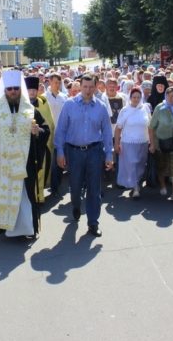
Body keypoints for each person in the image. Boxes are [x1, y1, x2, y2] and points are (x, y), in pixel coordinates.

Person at [0, 70, 50, 238]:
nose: (13, 91)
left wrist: (38, 131)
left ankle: (28, 229)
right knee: (6, 193)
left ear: (21, 90)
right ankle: (7, 227)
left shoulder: (30, 110)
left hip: (25, 163)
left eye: (16, 88)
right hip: (3, 165)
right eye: (10, 88)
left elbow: (45, 130)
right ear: (4, 90)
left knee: (25, 196)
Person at [54, 73, 112, 237]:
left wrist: (109, 154)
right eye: (84, 87)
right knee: (76, 185)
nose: (87, 90)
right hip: (73, 151)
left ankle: (93, 222)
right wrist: (60, 151)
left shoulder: (101, 107)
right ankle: (76, 205)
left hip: (94, 151)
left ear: (96, 86)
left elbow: (107, 132)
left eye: (91, 87)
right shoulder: (69, 105)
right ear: (80, 86)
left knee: (94, 188)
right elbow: (61, 130)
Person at [114, 87, 150, 199]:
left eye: (138, 97)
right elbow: (118, 128)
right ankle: (135, 187)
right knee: (132, 164)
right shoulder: (125, 110)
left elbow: (150, 126)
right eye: (134, 97)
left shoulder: (146, 109)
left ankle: (137, 182)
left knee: (140, 164)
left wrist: (152, 142)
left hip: (143, 142)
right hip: (128, 142)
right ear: (130, 97)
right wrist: (116, 143)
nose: (136, 99)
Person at [149, 86, 173, 201]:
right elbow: (151, 127)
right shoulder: (159, 108)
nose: (171, 98)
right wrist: (153, 144)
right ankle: (163, 186)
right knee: (161, 166)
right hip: (160, 142)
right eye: (168, 95)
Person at [26, 76, 55, 203]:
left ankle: (39, 196)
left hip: (41, 142)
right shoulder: (20, 104)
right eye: (29, 89)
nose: (32, 92)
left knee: (41, 169)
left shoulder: (43, 103)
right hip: (25, 145)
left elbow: (49, 123)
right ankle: (28, 196)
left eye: (34, 89)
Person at [43, 73, 68, 194]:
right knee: (51, 159)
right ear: (49, 82)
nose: (57, 85)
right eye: (55, 82)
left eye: (59, 82)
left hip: (62, 131)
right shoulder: (44, 97)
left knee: (60, 157)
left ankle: (57, 182)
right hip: (49, 132)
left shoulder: (64, 97)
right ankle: (52, 184)